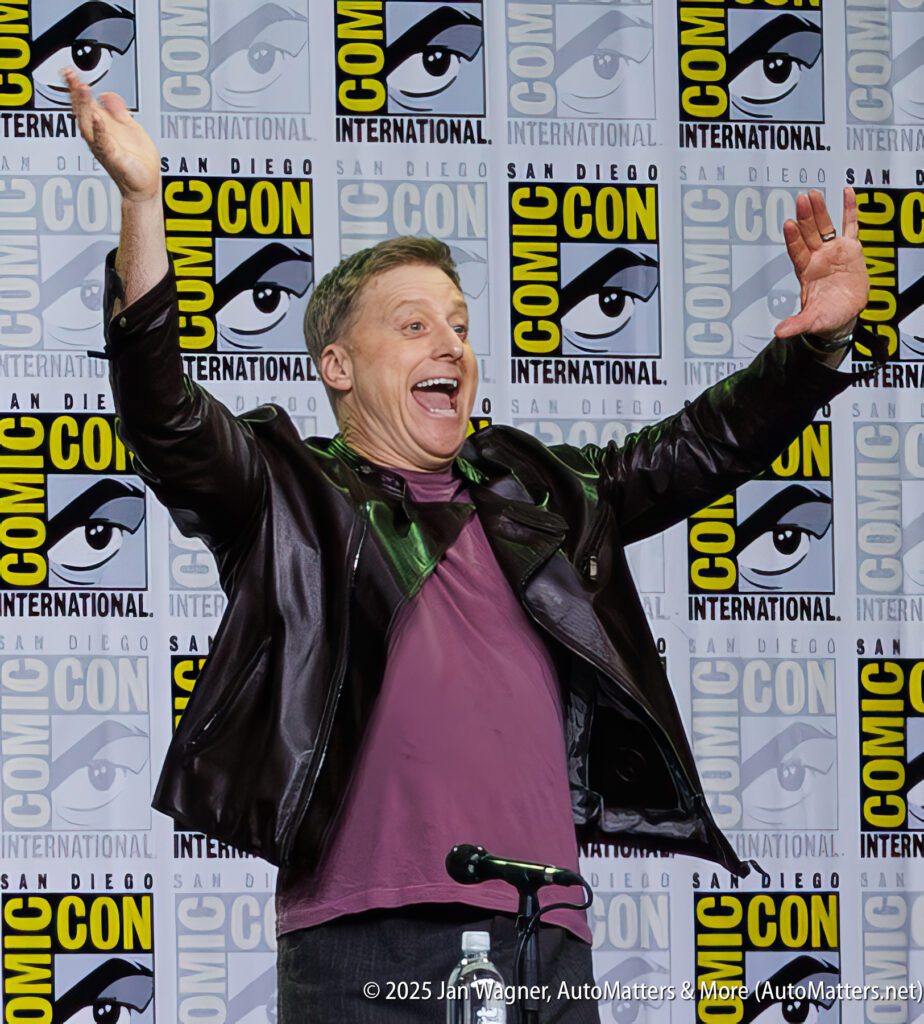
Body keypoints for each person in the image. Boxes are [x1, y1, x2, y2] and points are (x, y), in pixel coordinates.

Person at [65, 70, 879, 1024]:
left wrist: (812, 351)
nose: (449, 344)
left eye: (459, 324)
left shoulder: (534, 491)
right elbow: (164, 414)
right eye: (413, 326)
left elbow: (693, 452)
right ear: (337, 367)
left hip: (548, 934)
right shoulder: (290, 493)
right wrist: (142, 203)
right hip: (368, 939)